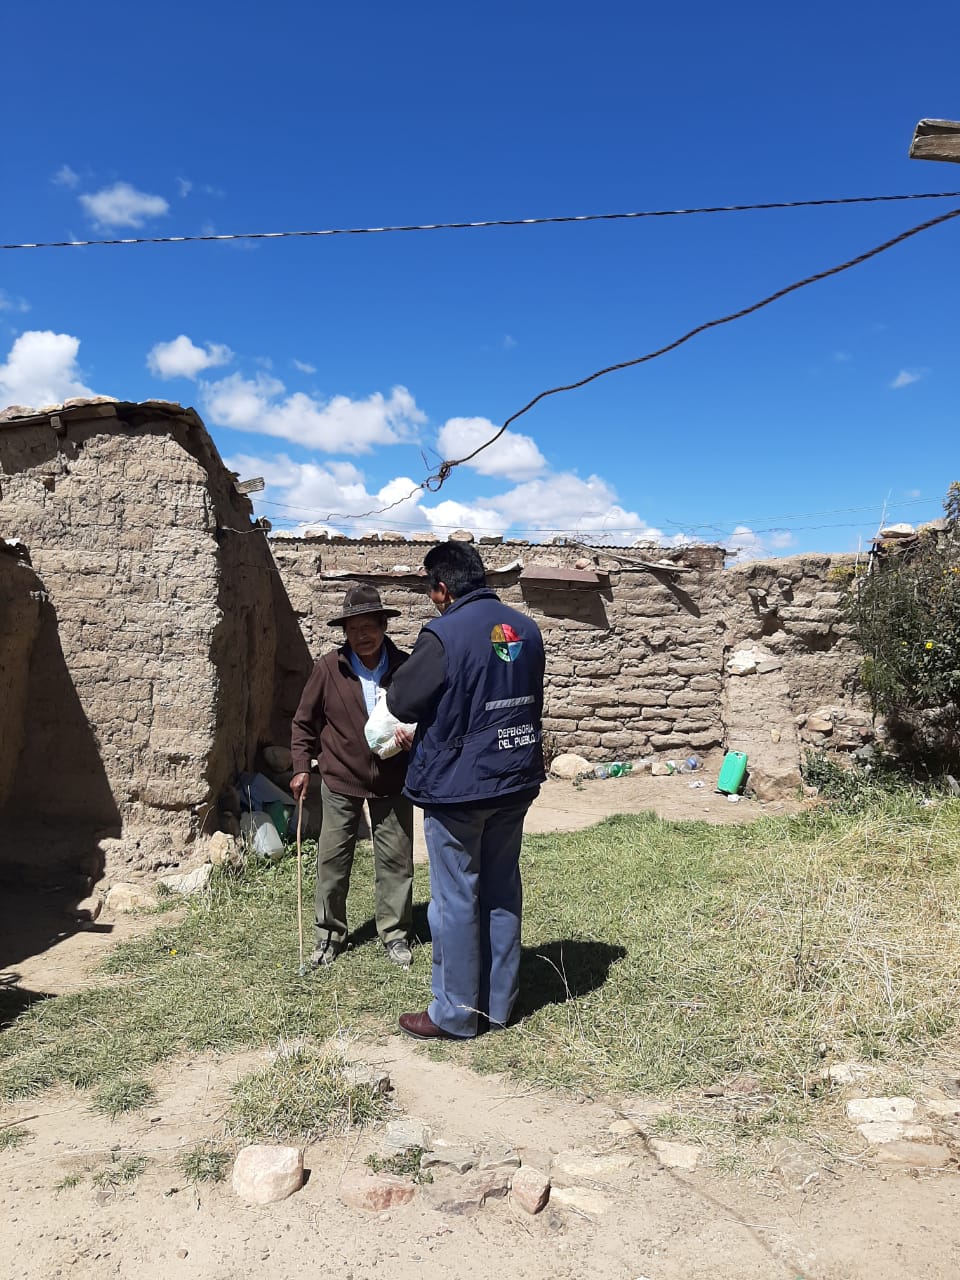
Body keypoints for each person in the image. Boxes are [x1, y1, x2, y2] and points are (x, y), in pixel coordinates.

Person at [385, 541, 546, 1039]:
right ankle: (498, 1006)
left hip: (460, 788)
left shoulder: (444, 634)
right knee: (501, 890)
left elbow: (402, 698)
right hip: (515, 777)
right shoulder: (526, 628)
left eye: (430, 590)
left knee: (454, 899)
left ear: (441, 587)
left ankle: (454, 1014)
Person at [290, 584, 415, 969]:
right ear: (345, 632)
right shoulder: (329, 668)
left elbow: (424, 715)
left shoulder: (405, 667)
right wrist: (300, 767)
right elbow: (304, 723)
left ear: (383, 626)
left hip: (392, 781)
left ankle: (395, 936)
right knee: (332, 860)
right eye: (354, 629)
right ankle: (328, 937)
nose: (362, 636)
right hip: (340, 779)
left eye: (369, 627)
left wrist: (414, 736)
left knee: (396, 862)